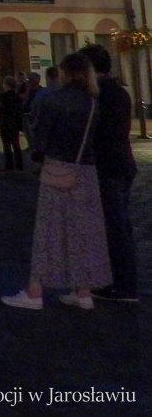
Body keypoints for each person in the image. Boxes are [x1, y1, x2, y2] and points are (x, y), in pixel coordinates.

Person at [2, 53, 111, 311]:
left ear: (66, 72)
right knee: (83, 232)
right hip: (86, 171)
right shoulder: (93, 103)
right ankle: (83, 291)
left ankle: (35, 291)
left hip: (58, 169)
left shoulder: (52, 99)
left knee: (48, 232)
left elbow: (40, 140)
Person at [78, 44, 139, 304]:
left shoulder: (101, 96)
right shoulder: (118, 92)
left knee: (115, 228)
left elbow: (100, 134)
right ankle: (118, 281)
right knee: (117, 226)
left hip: (108, 167)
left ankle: (123, 286)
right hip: (121, 165)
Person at [0, 75, 24, 173]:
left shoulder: (3, 96)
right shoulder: (17, 96)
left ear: (6, 85)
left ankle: (9, 166)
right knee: (16, 144)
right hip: (14, 122)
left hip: (4, 122)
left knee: (6, 145)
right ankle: (19, 165)